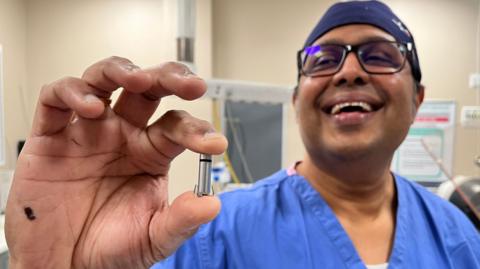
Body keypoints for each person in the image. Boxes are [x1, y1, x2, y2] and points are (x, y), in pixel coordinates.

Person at [4, 0, 479, 268]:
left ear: (417, 99)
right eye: (322, 59)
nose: (348, 71)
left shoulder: (459, 237)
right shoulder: (209, 234)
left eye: (379, 55)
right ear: (297, 100)